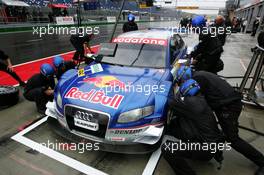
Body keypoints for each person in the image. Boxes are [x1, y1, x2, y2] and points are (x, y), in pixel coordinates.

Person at [176, 66, 264, 175]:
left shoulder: (198, 80)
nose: (181, 84)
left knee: (233, 139)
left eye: (181, 81)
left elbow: (196, 105)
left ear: (185, 77)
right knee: (219, 130)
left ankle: (262, 161)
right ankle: (217, 147)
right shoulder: (200, 74)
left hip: (228, 107)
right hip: (225, 104)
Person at [162, 79, 224, 175]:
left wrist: (173, 90)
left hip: (205, 149)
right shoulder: (201, 101)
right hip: (211, 146)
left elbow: (171, 102)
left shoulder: (192, 103)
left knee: (167, 148)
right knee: (173, 127)